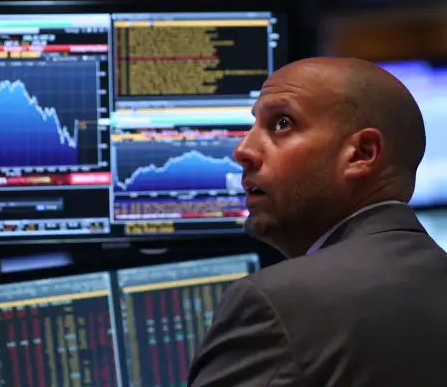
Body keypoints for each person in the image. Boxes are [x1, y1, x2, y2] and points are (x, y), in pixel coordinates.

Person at [187, 57, 447, 386]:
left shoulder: (274, 303)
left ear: (362, 153)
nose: (242, 149)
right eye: (253, 125)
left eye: (282, 123)